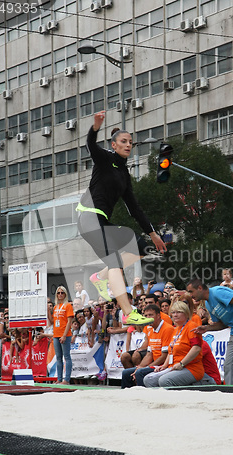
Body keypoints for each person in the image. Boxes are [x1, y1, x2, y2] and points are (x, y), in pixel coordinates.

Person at [77, 111, 166, 326]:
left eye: (130, 143)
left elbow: (134, 208)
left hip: (101, 221)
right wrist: (95, 126)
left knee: (142, 247)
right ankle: (128, 312)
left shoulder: (124, 175)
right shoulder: (104, 159)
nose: (128, 145)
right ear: (114, 145)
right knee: (115, 262)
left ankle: (100, 277)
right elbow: (90, 144)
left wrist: (153, 234)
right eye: (123, 142)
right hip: (89, 217)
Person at [187, 278, 233, 385]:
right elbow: (223, 323)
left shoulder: (217, 292)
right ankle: (231, 393)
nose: (190, 295)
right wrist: (206, 328)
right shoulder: (208, 304)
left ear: (199, 288)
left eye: (191, 291)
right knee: (229, 366)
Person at [143, 302, 204, 388]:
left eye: (178, 312)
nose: (175, 315)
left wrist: (182, 364)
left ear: (186, 313)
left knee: (164, 380)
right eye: (173, 312)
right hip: (173, 366)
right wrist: (164, 366)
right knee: (148, 379)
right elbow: (170, 350)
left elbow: (196, 348)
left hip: (191, 368)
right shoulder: (176, 329)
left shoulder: (192, 326)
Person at [121, 304, 174, 389]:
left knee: (140, 372)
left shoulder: (167, 329)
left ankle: (143, 396)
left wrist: (146, 367)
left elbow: (164, 356)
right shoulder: (150, 329)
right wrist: (140, 367)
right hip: (155, 363)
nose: (148, 317)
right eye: (146, 316)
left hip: (164, 365)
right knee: (126, 373)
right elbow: (149, 354)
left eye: (150, 315)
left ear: (158, 316)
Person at [48, 286, 74, 384]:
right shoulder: (55, 307)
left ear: (65, 294)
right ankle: (59, 379)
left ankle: (66, 379)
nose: (60, 295)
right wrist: (47, 311)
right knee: (58, 357)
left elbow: (69, 322)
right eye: (58, 293)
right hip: (56, 334)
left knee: (66, 356)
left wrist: (64, 335)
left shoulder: (68, 306)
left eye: (62, 293)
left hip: (65, 334)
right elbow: (53, 321)